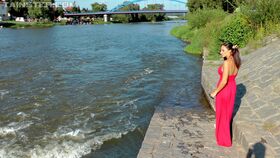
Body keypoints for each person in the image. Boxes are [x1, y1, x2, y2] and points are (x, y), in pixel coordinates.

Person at [210, 42, 241, 147]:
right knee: (226, 113)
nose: (220, 52)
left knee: (222, 113)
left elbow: (224, 81)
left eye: (223, 50)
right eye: (221, 50)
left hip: (224, 90)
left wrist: (215, 91)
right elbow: (232, 76)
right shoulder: (236, 61)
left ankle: (224, 139)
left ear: (230, 51)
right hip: (232, 88)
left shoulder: (227, 63)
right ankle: (224, 135)